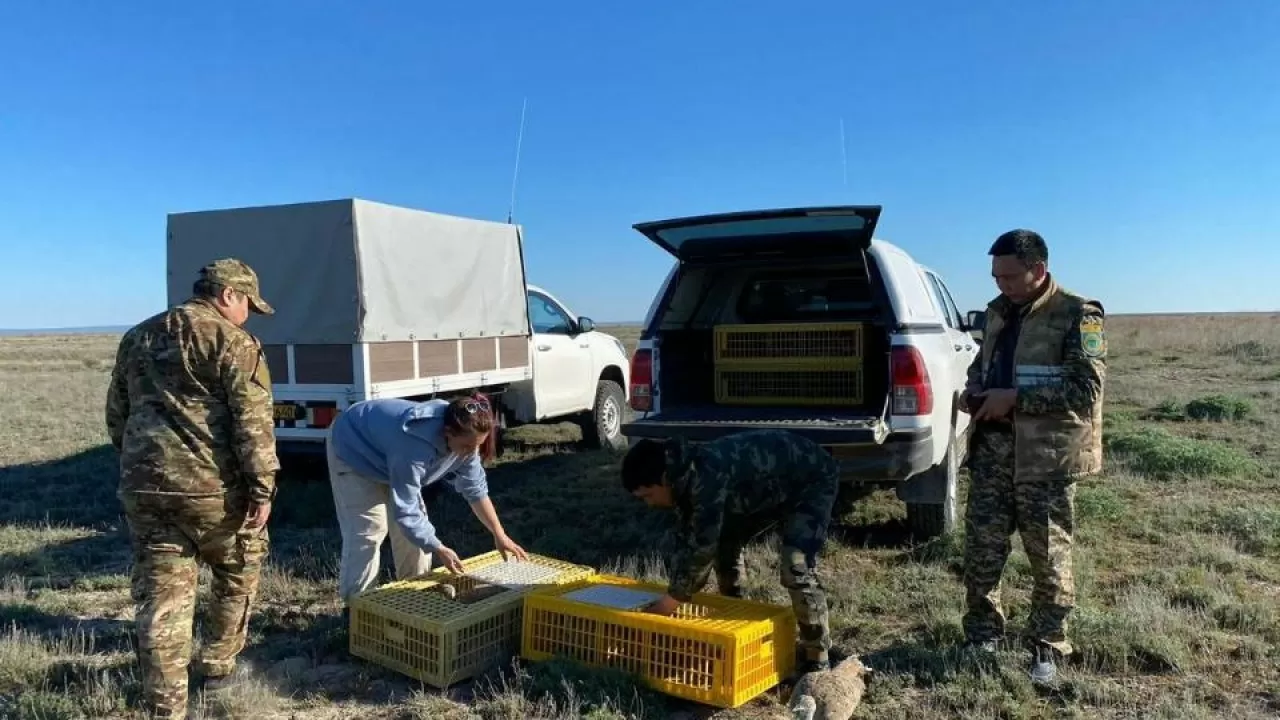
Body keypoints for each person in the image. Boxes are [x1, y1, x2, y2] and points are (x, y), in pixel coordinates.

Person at [105, 258, 278, 719]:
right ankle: (218, 666)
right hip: (214, 493)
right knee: (237, 573)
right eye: (247, 305)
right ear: (228, 295)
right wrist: (262, 490)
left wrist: (141, 465)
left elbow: (117, 415)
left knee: (162, 604)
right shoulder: (233, 341)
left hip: (147, 490)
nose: (247, 316)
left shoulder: (138, 335)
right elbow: (253, 423)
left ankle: (166, 710)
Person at [958, 229, 1106, 685]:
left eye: (1008, 275)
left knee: (1049, 555)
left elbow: (1086, 388)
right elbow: (982, 364)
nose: (999, 284)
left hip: (1047, 457)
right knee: (982, 549)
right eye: (995, 275)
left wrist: (1014, 398)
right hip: (994, 450)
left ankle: (1048, 643)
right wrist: (975, 392)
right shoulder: (998, 313)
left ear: (1038, 270)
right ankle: (982, 635)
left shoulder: (1079, 314)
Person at [621, 430, 840, 673]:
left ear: (663, 478)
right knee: (726, 549)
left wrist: (670, 603)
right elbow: (688, 544)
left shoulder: (705, 477)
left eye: (648, 495)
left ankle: (816, 657)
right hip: (763, 489)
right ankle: (736, 627)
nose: (649, 504)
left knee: (795, 565)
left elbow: (702, 548)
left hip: (812, 478)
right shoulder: (680, 478)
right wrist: (676, 589)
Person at [325, 394, 529, 607]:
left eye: (477, 446)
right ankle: (357, 607)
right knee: (369, 531)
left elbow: (476, 490)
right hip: (354, 449)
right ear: (448, 433)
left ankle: (415, 596)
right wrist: (439, 548)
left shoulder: (466, 441)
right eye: (468, 447)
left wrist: (499, 534)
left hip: (389, 455)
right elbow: (407, 510)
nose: (471, 453)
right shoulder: (413, 447)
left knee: (416, 536)